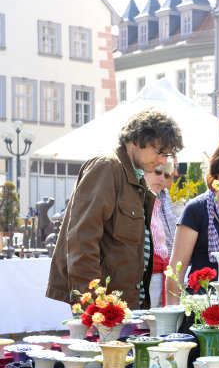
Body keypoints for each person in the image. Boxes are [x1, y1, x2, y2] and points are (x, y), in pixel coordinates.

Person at [46, 108, 183, 309]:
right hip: (104, 310)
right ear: (137, 139)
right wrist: (95, 305)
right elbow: (81, 240)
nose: (163, 160)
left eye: (168, 154)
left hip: (124, 307)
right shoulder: (107, 167)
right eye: (160, 151)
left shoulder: (135, 176)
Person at [165, 140, 219, 305]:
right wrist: (173, 313)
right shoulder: (196, 209)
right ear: (217, 172)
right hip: (203, 305)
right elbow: (177, 267)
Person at [145, 161, 176, 307]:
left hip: (163, 270)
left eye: (166, 175)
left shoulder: (162, 195)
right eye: (158, 172)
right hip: (146, 272)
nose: (162, 178)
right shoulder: (138, 200)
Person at [159, 156, 179, 255]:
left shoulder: (165, 193)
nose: (176, 173)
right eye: (173, 167)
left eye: (176, 166)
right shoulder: (145, 196)